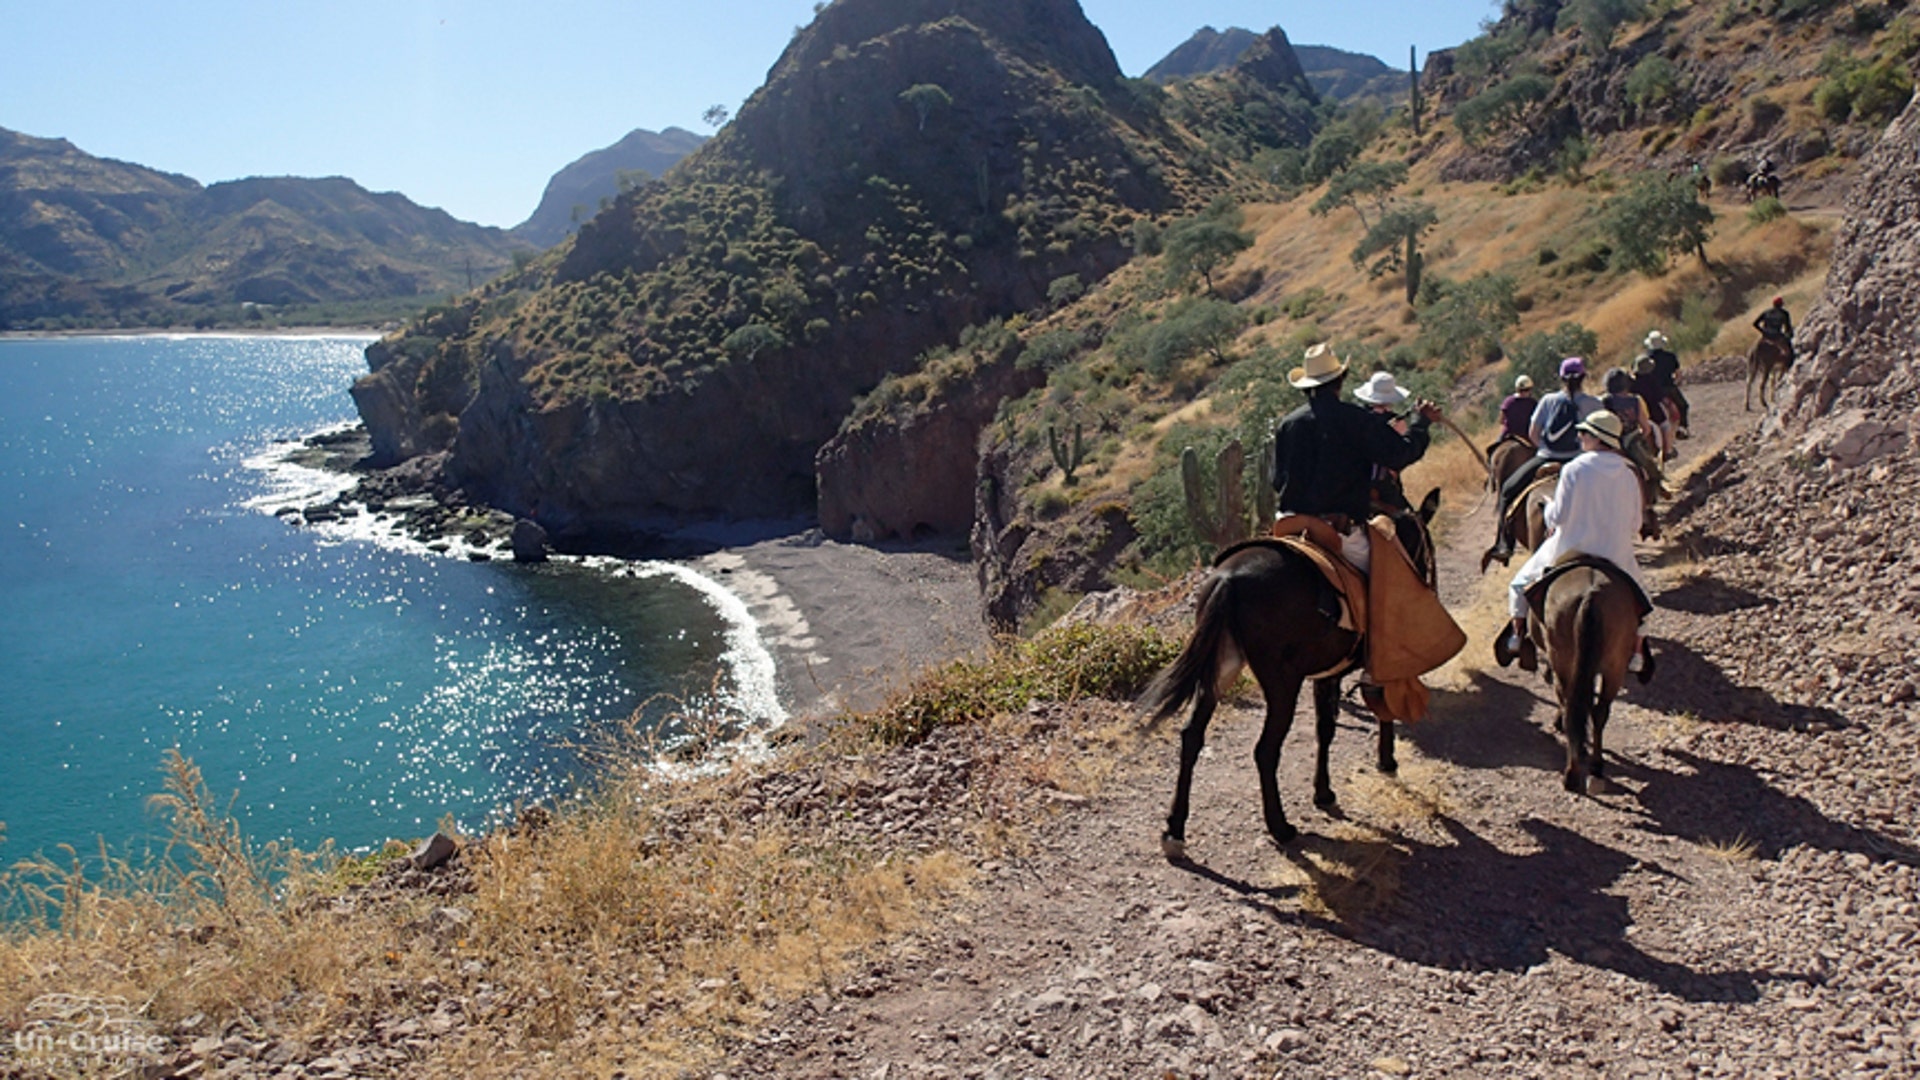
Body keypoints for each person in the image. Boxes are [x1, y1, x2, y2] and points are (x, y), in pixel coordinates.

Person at [1500, 410, 1652, 672]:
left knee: (1519, 584)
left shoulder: (1573, 469)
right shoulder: (1628, 474)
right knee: (1644, 603)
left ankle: (1517, 635)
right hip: (1615, 552)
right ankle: (1637, 653)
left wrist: (1547, 507)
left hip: (1570, 547)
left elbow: (1557, 517)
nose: (1579, 437)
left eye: (1584, 433)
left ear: (1596, 437)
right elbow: (1635, 524)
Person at [1272, 345, 1439, 574]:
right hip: (1338, 530)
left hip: (1288, 523)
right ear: (1341, 380)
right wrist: (1421, 424)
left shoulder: (1288, 424)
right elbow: (1400, 454)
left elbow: (1277, 481)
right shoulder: (1356, 420)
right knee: (1392, 576)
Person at [1483, 357, 1602, 569]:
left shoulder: (1548, 400)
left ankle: (1504, 545)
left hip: (1546, 458)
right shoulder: (1594, 404)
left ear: (1561, 378)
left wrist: (1544, 450)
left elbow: (1533, 433)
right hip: (1581, 461)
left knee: (1508, 490)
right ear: (1584, 377)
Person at [1353, 370, 1415, 515]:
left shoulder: (1358, 419)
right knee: (1409, 520)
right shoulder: (1397, 423)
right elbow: (1400, 456)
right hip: (1383, 485)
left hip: (1356, 485)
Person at [1640, 329, 1689, 438]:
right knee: (1683, 405)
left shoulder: (1645, 358)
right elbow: (1678, 374)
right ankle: (1682, 427)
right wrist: (1674, 383)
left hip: (1651, 390)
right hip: (1668, 387)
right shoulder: (1670, 357)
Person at [1497, 374, 1537, 445]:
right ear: (1530, 389)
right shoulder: (1533, 403)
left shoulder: (1508, 401)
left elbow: (1501, 420)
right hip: (1526, 437)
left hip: (1507, 435)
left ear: (1517, 388)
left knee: (1493, 450)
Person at [1754, 296, 1795, 364]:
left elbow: (1755, 324)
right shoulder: (1784, 314)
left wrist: (1763, 331)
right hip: (1777, 336)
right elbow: (1788, 327)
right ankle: (1789, 364)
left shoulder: (1766, 312)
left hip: (1766, 336)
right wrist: (1789, 335)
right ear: (1781, 304)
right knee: (1790, 353)